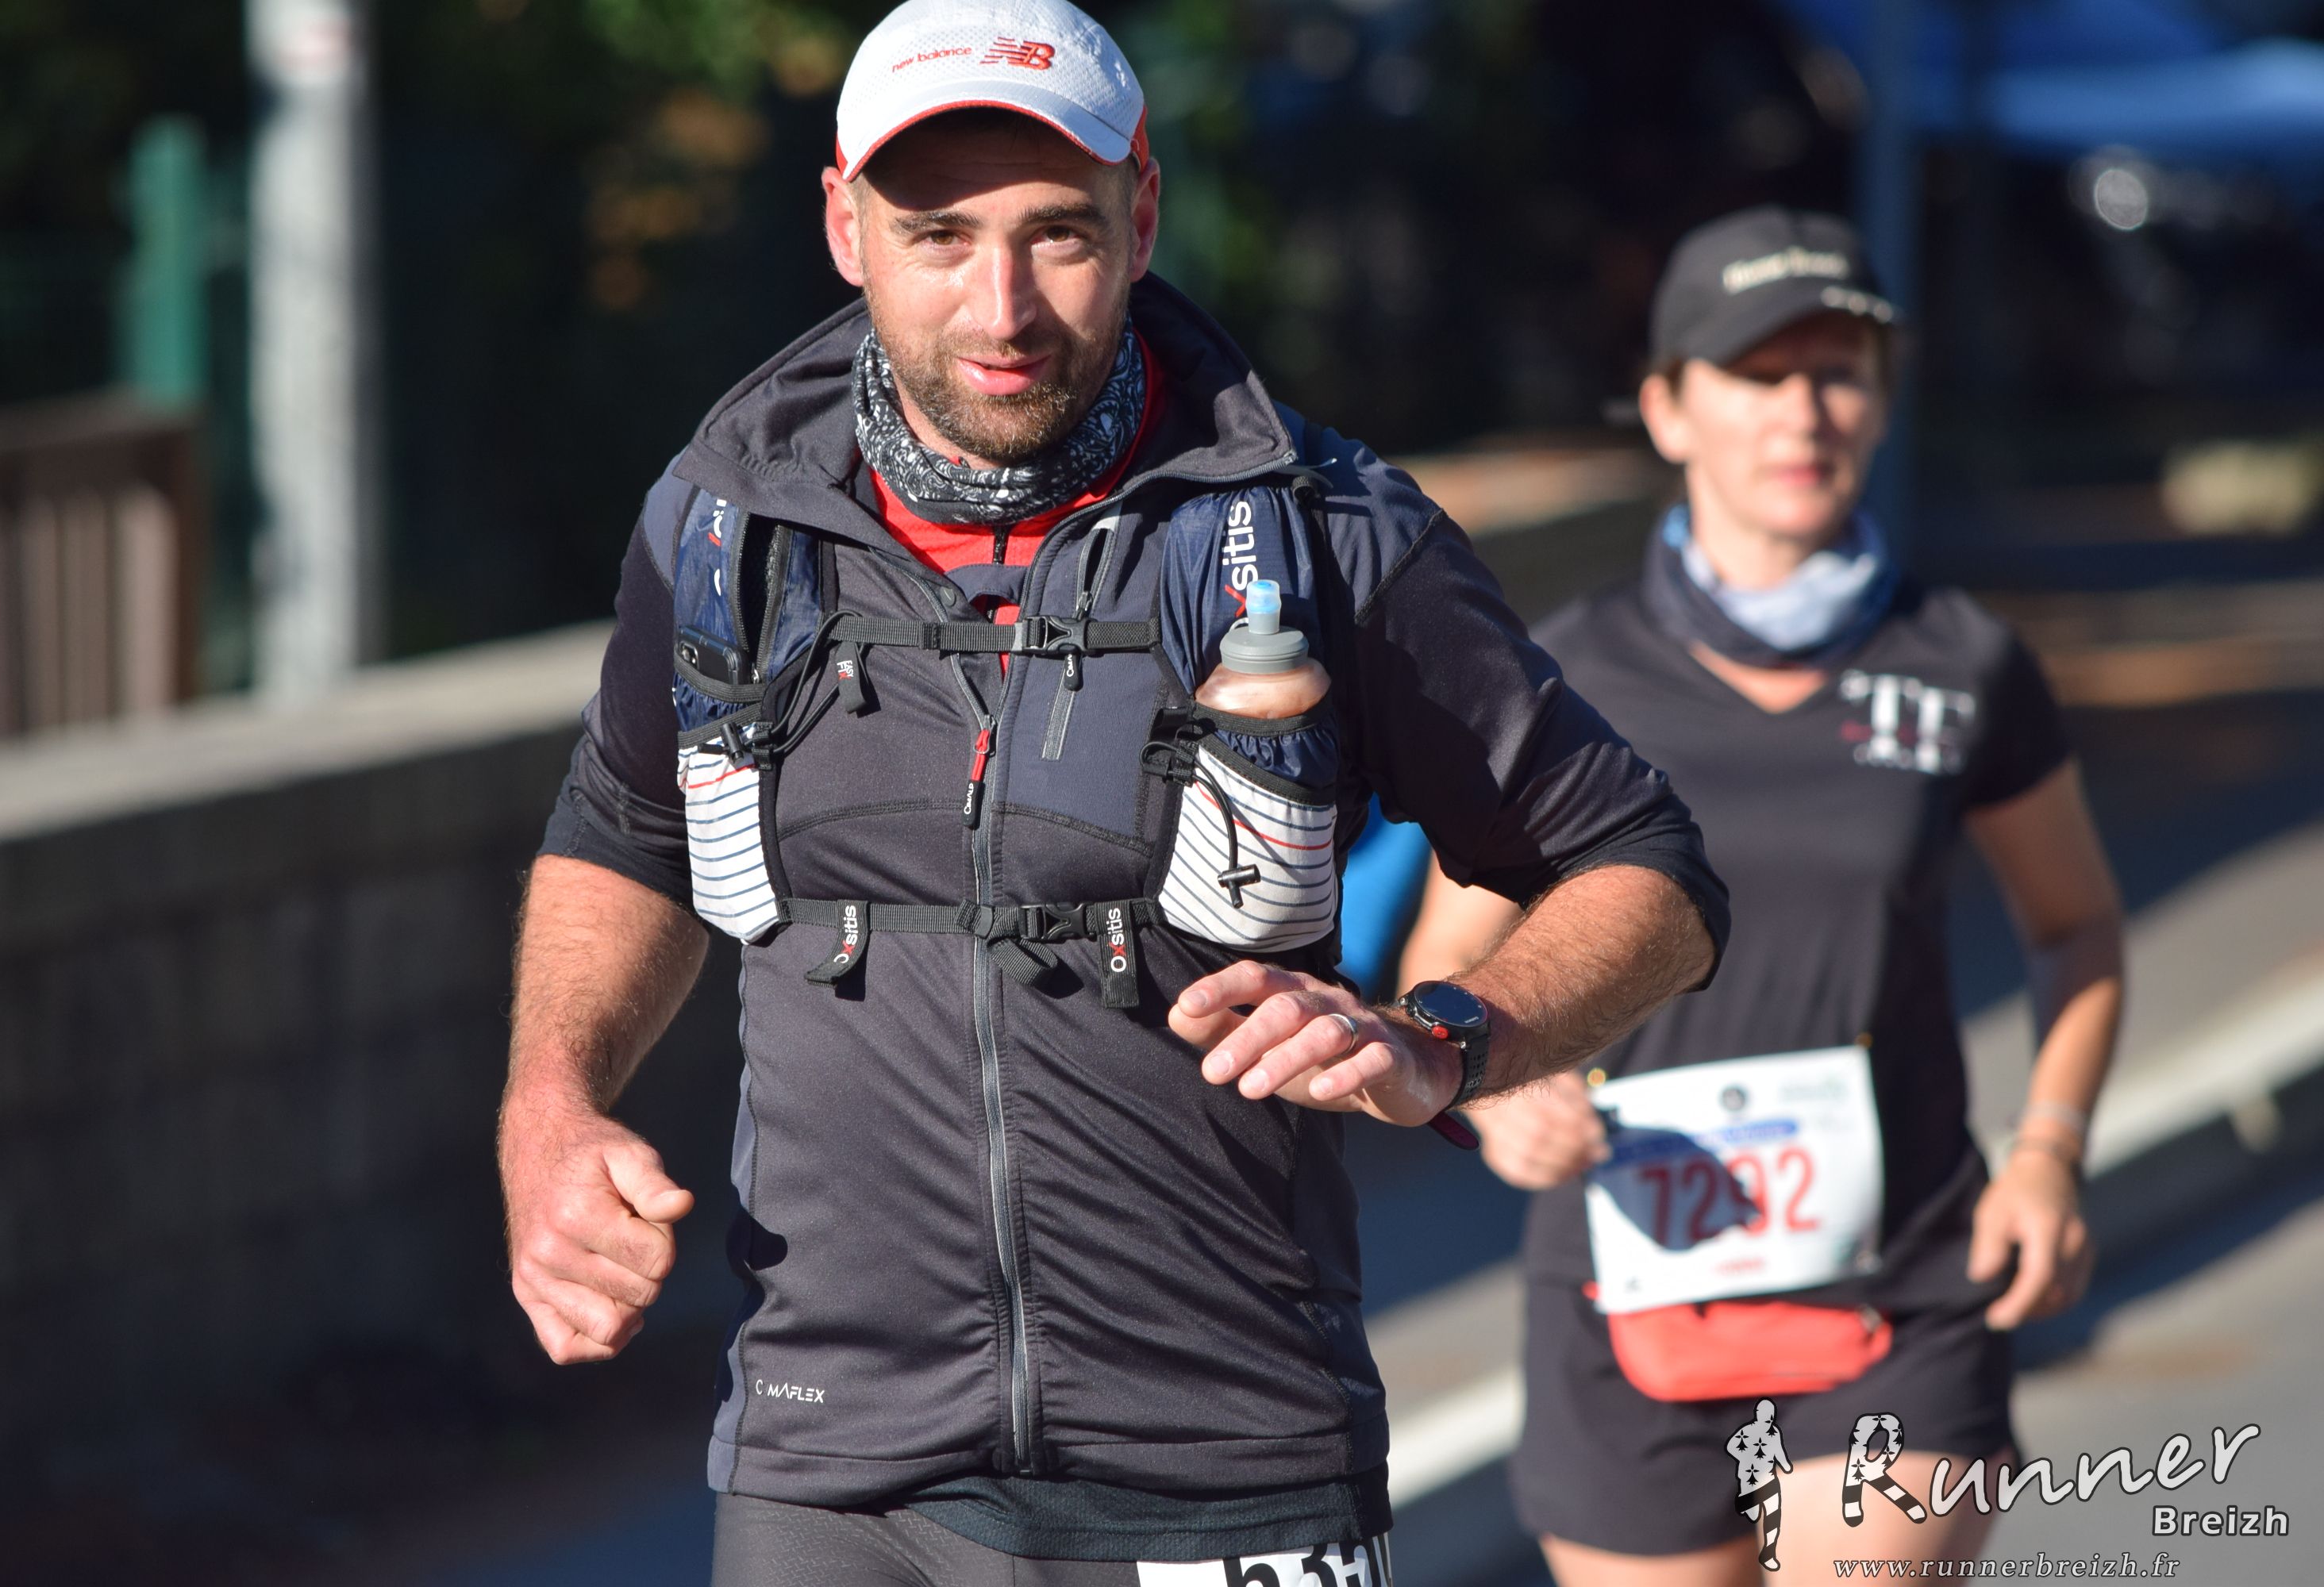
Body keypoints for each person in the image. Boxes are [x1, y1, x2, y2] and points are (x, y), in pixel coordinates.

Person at [495, 2, 1731, 1579]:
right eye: (937, 236)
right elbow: (627, 828)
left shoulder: (1329, 533)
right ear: (843, 227)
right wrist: (549, 1104)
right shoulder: (723, 525)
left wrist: (1443, 1040)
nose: (1000, 305)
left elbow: (1647, 870)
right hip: (833, 1471)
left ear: (1142, 214)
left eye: (1058, 234)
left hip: (1229, 1464)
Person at [1399, 207, 2126, 1585]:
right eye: (1756, 371)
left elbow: (2077, 925)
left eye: (1838, 371)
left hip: (1903, 1280)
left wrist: (2050, 1148)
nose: (1803, 411)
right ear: (1669, 409)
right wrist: (1495, 1095)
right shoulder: (1562, 676)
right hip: (1627, 1283)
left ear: (1883, 402)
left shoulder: (1965, 663)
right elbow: (1447, 967)